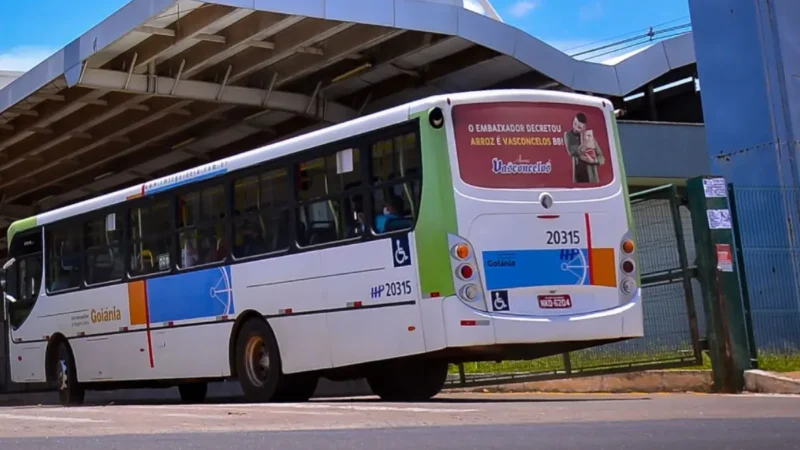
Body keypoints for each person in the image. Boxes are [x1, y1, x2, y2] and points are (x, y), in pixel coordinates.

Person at [564, 112, 606, 183]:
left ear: (584, 128)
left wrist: (593, 161)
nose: (575, 127)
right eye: (574, 123)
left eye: (579, 127)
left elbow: (602, 158)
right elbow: (572, 152)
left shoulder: (590, 137)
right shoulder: (568, 135)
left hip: (591, 179)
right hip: (578, 177)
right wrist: (584, 144)